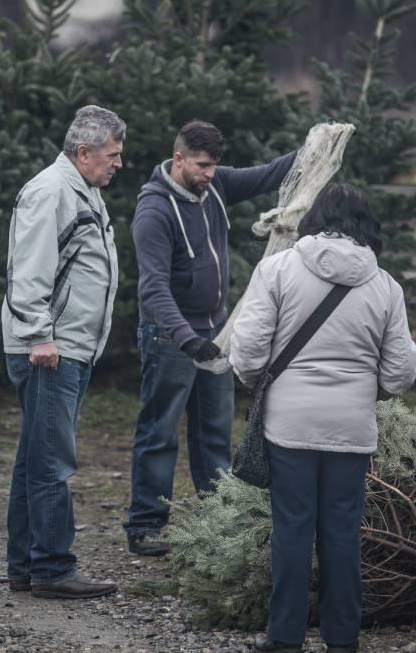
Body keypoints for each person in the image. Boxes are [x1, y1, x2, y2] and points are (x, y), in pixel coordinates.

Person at [228, 183, 416, 653]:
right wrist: (363, 390)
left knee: (292, 529)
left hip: (289, 424)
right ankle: (342, 638)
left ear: (314, 220)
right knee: (342, 532)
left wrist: (264, 382)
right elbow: (400, 372)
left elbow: (248, 349)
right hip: (351, 428)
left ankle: (285, 637)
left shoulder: (277, 269)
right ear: (367, 227)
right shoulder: (385, 286)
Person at [123, 120, 296, 556]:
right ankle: (146, 525)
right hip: (170, 336)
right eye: (202, 166)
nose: (210, 174)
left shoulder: (214, 187)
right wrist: (185, 338)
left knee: (215, 431)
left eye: (215, 166)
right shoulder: (154, 211)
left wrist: (316, 148)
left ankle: (217, 519)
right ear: (178, 159)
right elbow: (153, 288)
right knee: (160, 430)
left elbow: (268, 174)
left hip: (216, 332)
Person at [2, 105, 125, 600]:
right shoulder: (52, 192)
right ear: (84, 152)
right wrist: (40, 336)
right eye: (113, 155)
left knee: (35, 460)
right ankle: (53, 568)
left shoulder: (83, 191)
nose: (119, 163)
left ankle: (24, 566)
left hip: (67, 347)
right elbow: (28, 270)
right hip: (51, 349)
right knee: (52, 461)